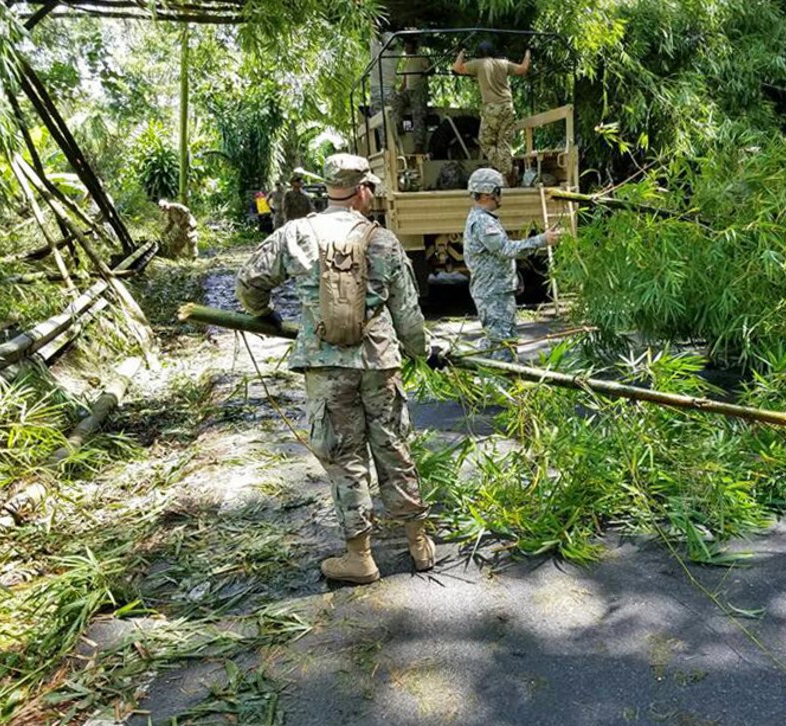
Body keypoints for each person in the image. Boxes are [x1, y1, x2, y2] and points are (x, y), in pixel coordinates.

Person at [235, 153, 436, 585]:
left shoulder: (295, 234)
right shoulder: (383, 241)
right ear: (362, 190)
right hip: (379, 363)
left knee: (344, 457)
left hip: (326, 366)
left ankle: (360, 557)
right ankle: (419, 544)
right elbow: (408, 316)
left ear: (326, 189)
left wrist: (264, 314)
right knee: (393, 446)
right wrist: (424, 350)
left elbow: (250, 282)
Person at [462, 167, 560, 360]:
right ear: (491, 193)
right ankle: (503, 385)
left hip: (493, 290)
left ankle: (483, 376)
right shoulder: (483, 222)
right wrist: (542, 240)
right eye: (500, 191)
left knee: (494, 341)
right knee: (504, 345)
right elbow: (507, 250)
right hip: (494, 293)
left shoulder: (482, 219)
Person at [452, 41, 531, 177]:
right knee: (504, 143)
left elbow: (456, 68)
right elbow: (523, 68)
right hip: (507, 107)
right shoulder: (503, 63)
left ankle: (506, 169)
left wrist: (462, 51)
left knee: (485, 141)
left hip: (492, 109)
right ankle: (507, 170)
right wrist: (528, 52)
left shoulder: (479, 63)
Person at [392, 36, 429, 155]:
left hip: (418, 91)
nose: (406, 48)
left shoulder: (420, 57)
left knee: (418, 115)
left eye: (408, 45)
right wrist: (398, 92)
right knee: (395, 102)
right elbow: (404, 82)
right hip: (408, 91)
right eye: (405, 46)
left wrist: (425, 72)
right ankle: (398, 126)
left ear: (413, 46)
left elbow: (431, 68)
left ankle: (419, 145)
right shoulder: (407, 62)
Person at [368, 30, 399, 114]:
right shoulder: (396, 56)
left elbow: (373, 35)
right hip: (390, 91)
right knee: (389, 117)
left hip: (377, 90)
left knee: (377, 117)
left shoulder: (377, 51)